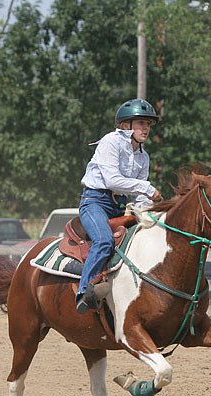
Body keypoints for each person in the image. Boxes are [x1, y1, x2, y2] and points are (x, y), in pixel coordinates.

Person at [75, 98, 163, 314]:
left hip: (119, 206)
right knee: (104, 240)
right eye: (141, 123)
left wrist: (149, 212)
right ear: (126, 125)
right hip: (94, 202)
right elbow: (113, 180)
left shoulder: (144, 157)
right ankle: (83, 292)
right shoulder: (110, 142)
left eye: (149, 124)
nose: (146, 128)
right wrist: (147, 188)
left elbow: (139, 197)